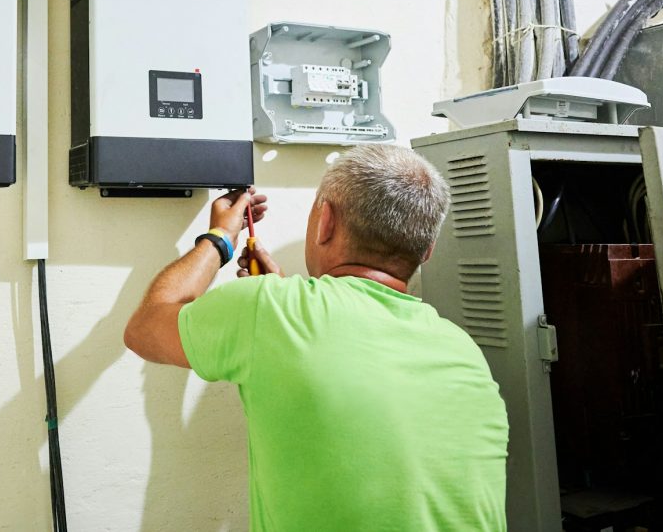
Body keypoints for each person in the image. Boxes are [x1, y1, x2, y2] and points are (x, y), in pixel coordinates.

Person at [124, 144, 508, 531]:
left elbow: (144, 329)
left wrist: (221, 237)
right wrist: (279, 301)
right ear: (427, 250)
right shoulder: (462, 348)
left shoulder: (269, 312)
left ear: (325, 221)